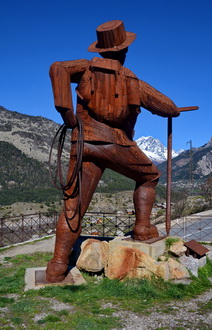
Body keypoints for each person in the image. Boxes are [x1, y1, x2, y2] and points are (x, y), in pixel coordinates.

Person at [46, 20, 180, 282]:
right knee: (149, 176)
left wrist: (66, 111)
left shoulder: (84, 68)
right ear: (124, 50)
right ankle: (142, 228)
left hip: (83, 143)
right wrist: (166, 108)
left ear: (100, 49)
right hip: (116, 144)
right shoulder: (133, 81)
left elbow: (57, 67)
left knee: (74, 205)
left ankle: (58, 265)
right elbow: (169, 107)